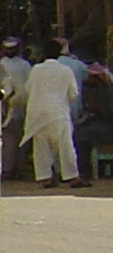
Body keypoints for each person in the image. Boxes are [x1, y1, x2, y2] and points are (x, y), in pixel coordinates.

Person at [23, 42, 89, 189]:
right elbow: (74, 94)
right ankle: (72, 177)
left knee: (41, 146)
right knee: (65, 146)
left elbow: (28, 89)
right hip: (58, 112)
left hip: (36, 113)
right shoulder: (66, 70)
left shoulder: (36, 70)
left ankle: (44, 178)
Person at [0, 34, 32, 179]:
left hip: (23, 106)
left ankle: (19, 168)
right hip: (6, 106)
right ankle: (7, 170)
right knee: (8, 140)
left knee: (22, 140)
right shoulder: (0, 64)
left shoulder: (25, 65)